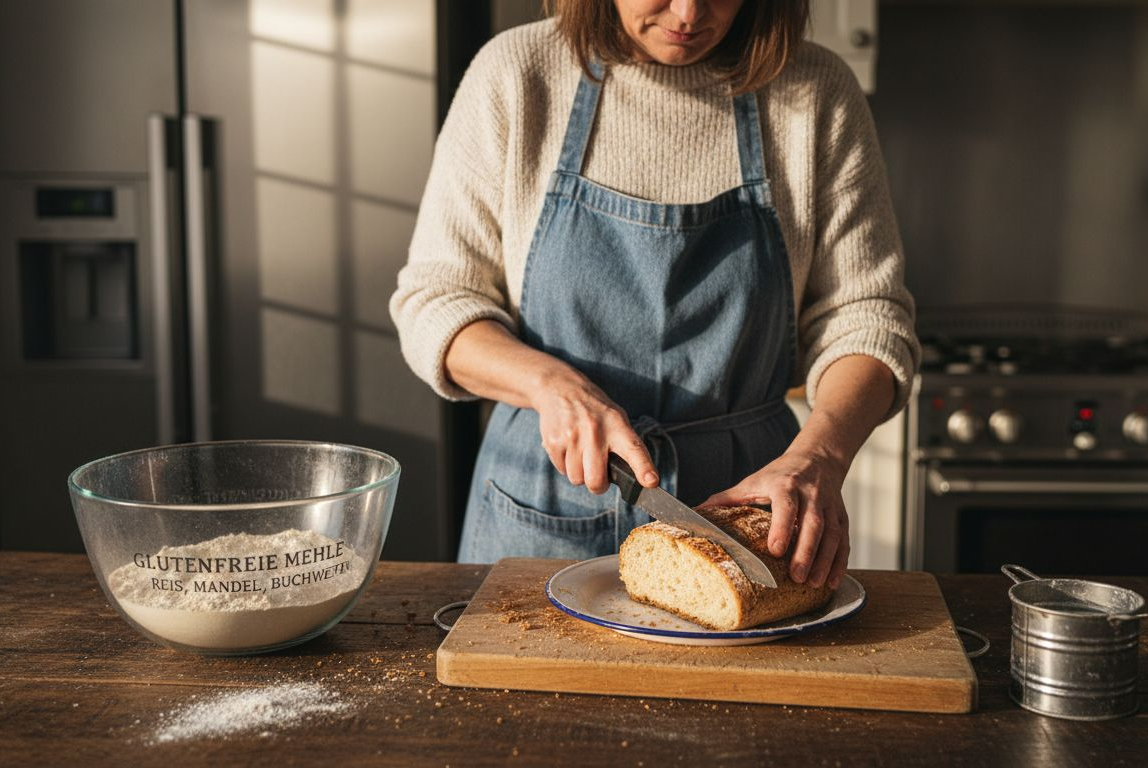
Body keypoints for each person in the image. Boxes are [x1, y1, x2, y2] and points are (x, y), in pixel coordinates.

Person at [391, 0, 919, 591]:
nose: (689, 12)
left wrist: (820, 455)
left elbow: (867, 317)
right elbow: (436, 300)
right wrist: (550, 386)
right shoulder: (518, 73)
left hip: (747, 517)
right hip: (542, 509)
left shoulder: (814, 90)